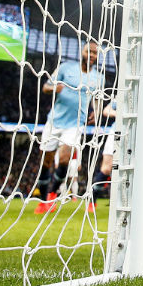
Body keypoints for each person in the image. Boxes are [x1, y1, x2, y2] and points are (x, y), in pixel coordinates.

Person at [35, 41, 102, 214]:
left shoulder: (98, 78)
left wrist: (95, 111)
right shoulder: (65, 68)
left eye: (95, 53)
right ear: (83, 51)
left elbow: (96, 98)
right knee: (46, 161)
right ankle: (42, 201)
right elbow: (45, 87)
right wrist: (54, 89)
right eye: (89, 51)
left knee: (65, 158)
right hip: (55, 122)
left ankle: (51, 195)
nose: (92, 55)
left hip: (76, 124)